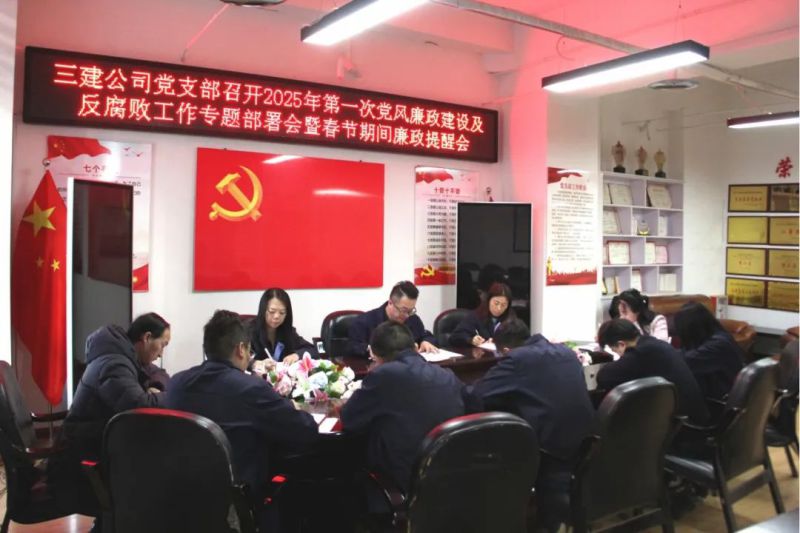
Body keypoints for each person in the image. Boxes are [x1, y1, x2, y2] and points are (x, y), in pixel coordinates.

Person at [166, 310, 319, 529]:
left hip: (182, 499)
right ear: (241, 349)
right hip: (236, 506)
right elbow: (305, 431)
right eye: (249, 350)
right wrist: (290, 407)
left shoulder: (176, 384)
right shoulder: (251, 389)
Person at [471, 318, 595, 531]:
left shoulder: (516, 360)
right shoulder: (565, 352)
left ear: (506, 350)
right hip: (587, 440)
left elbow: (477, 394)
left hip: (553, 448)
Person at [52, 313, 170, 520]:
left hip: (96, 444)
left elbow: (159, 373)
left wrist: (156, 386)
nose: (161, 354)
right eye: (163, 345)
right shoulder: (114, 364)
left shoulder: (122, 354)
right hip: (84, 458)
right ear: (147, 338)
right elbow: (139, 406)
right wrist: (172, 395)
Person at [341, 321, 468, 493]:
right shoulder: (447, 375)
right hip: (449, 475)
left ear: (375, 355)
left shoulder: (383, 375)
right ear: (415, 347)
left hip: (404, 480)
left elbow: (349, 420)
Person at [596, 319, 710, 426]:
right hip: (692, 418)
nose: (619, 355)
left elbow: (604, 377)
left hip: (685, 427)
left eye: (615, 350)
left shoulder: (640, 353)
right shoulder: (655, 344)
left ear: (621, 344)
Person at [673, 302, 744, 402]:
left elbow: (685, 361)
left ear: (691, 328)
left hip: (720, 402)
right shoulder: (720, 337)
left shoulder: (717, 345)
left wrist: (661, 350)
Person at [347, 281, 438, 358]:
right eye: (404, 310)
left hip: (408, 370)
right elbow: (351, 347)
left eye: (411, 310)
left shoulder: (413, 319)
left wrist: (426, 341)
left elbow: (426, 335)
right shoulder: (364, 322)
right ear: (390, 303)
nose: (407, 315)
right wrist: (370, 349)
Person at [250, 287, 315, 365]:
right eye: (272, 311)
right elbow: (238, 359)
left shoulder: (288, 331)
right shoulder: (249, 330)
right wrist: (254, 363)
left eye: (282, 312)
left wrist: (297, 355)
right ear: (263, 310)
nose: (277, 316)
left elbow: (313, 350)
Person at [449, 282, 515, 347]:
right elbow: (455, 337)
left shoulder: (511, 319)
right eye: (496, 303)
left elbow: (518, 340)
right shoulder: (476, 316)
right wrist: (471, 340)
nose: (499, 308)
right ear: (489, 300)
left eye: (503, 305)